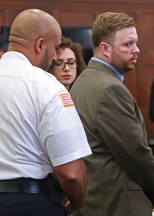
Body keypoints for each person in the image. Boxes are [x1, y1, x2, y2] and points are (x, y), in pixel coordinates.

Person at [0, 9, 92, 216]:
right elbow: (72, 174)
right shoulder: (46, 86)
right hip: (29, 204)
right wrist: (75, 203)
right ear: (40, 45)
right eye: (56, 48)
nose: (54, 56)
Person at [70, 12, 154, 216]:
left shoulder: (82, 81)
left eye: (136, 43)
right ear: (105, 49)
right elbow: (136, 154)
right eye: (128, 44)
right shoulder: (110, 88)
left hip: (93, 201)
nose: (136, 50)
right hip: (116, 204)